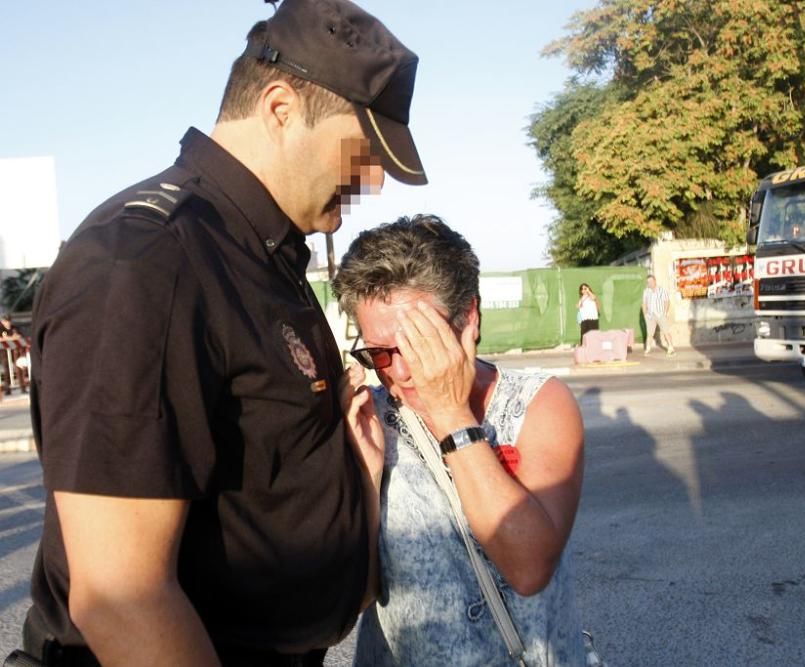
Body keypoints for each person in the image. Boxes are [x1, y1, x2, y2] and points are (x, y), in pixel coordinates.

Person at [20, 1, 427, 665]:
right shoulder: (150, 260)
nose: (375, 179)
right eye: (365, 148)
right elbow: (122, 599)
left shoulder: (260, 257)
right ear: (279, 107)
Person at [333, 215, 588, 666]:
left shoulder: (538, 405)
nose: (401, 372)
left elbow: (530, 568)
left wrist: (453, 415)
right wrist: (369, 477)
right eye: (379, 353)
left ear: (469, 318)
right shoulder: (370, 419)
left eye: (420, 344)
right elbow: (355, 596)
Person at [642, 275, 676, 356]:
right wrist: (645, 314)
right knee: (649, 333)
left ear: (654, 281)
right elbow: (644, 303)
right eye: (648, 282)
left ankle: (671, 348)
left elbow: (667, 301)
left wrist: (665, 312)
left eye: (650, 281)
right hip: (650, 315)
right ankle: (648, 348)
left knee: (665, 331)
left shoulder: (662, 290)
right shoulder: (646, 291)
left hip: (660, 314)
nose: (649, 283)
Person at [0, 315, 28, 395]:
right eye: (6, 321)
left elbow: (19, 336)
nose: (8, 323)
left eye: (9, 321)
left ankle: (23, 387)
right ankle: (7, 389)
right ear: (2, 321)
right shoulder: (0, 328)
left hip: (15, 351)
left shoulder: (14, 327)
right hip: (4, 352)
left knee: (19, 367)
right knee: (7, 370)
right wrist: (11, 338)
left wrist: (10, 338)